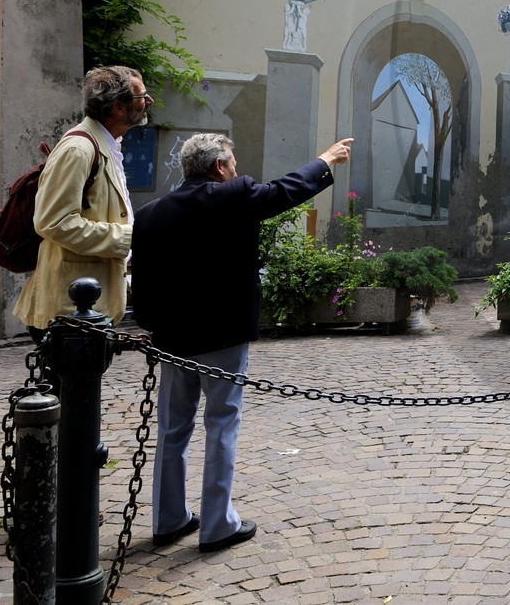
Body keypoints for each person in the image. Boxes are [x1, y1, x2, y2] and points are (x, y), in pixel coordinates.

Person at [134, 133, 353, 552]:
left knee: (172, 428)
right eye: (232, 162)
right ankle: (217, 524)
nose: (236, 169)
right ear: (219, 166)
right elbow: (285, 191)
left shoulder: (150, 214)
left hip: (171, 338)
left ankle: (168, 518)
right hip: (222, 334)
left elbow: (141, 285)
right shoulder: (230, 195)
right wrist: (325, 159)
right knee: (221, 424)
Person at [13, 66, 150, 339]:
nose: (148, 101)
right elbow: (54, 222)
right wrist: (128, 238)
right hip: (69, 308)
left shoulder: (107, 145)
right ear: (117, 107)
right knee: (68, 382)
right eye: (141, 96)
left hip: (88, 306)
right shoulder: (79, 150)